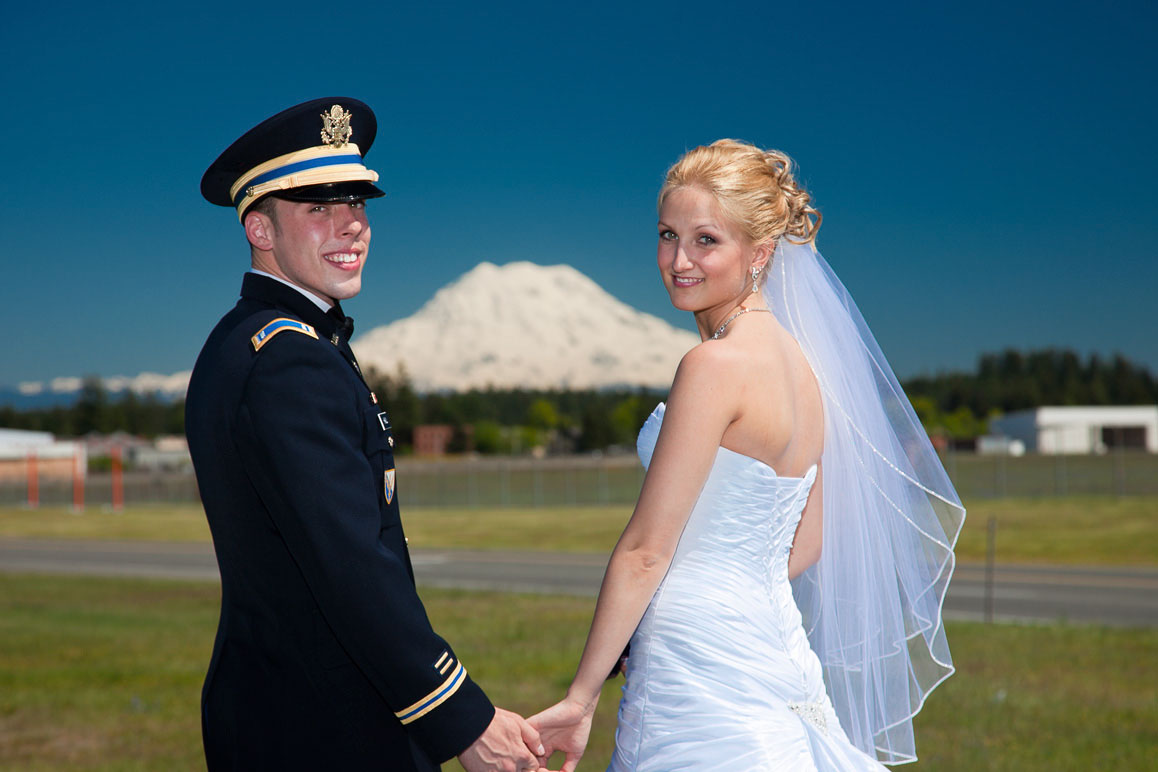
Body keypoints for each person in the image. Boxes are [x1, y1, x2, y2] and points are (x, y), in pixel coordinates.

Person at [529, 140, 965, 770]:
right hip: (772, 643)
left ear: (760, 253)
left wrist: (581, 695)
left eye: (706, 240)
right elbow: (806, 544)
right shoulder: (809, 372)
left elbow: (647, 550)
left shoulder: (713, 367)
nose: (679, 259)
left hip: (696, 660)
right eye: (667, 234)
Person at [186, 97, 545, 772]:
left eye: (357, 203)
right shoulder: (289, 360)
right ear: (259, 228)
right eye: (317, 208)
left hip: (281, 713)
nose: (349, 224)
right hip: (324, 727)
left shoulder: (251, 343)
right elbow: (348, 567)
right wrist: (461, 719)